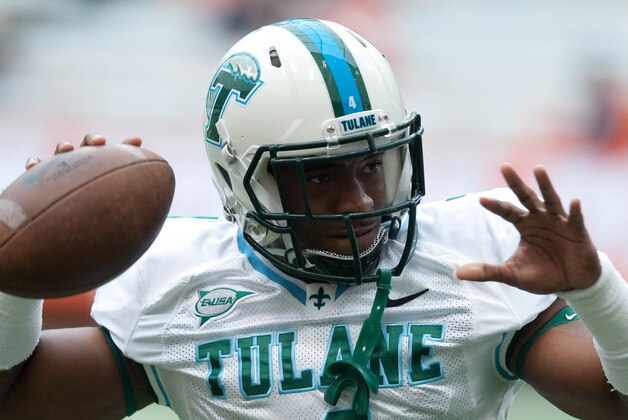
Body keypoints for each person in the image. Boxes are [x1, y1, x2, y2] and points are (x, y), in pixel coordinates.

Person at [1, 18, 627, 420]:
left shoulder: (470, 262)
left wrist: (596, 289)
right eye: (318, 176)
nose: (357, 201)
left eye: (371, 166)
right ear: (237, 177)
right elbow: (17, 397)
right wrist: (16, 271)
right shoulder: (180, 284)